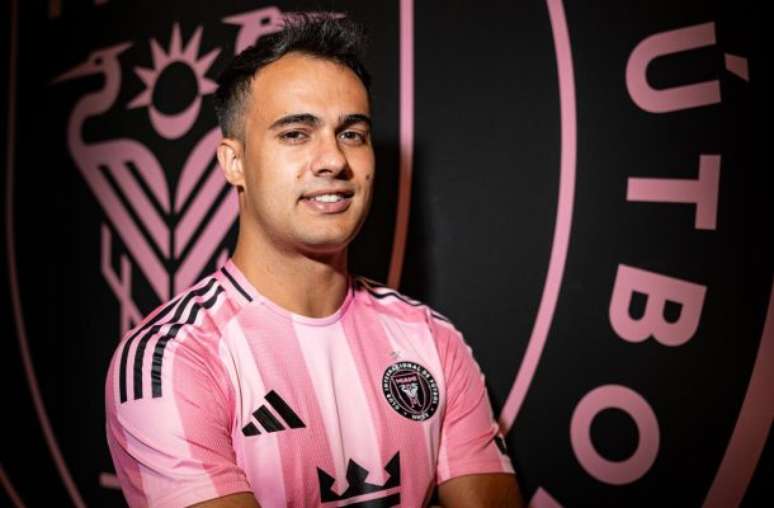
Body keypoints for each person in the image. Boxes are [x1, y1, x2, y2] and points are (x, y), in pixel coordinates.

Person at [105, 14, 523, 508]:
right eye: (296, 134)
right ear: (234, 163)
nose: (334, 161)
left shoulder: (432, 339)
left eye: (352, 134)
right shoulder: (171, 359)